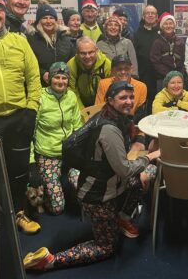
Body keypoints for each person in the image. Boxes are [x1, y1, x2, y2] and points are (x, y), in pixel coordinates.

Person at [23, 81, 161, 271]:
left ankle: (121, 218)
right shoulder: (109, 129)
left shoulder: (108, 115)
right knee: (106, 248)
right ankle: (50, 260)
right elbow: (125, 170)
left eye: (131, 97)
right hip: (97, 194)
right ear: (110, 100)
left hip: (105, 180)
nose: (129, 101)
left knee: (149, 172)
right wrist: (149, 156)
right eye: (123, 97)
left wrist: (139, 149)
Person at [0, 0, 42, 234]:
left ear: (4, 14)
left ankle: (18, 213)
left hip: (18, 119)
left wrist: (31, 109)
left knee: (18, 172)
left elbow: (34, 77)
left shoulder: (19, 41)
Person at [28, 62, 82, 215]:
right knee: (57, 208)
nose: (60, 81)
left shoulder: (71, 96)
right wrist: (31, 163)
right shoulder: (40, 97)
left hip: (69, 152)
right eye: (56, 77)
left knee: (82, 184)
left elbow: (77, 126)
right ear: (49, 79)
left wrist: (80, 150)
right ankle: (49, 190)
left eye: (64, 78)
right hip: (48, 154)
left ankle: (69, 192)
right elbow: (29, 133)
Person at [27, 4, 75, 86]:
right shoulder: (31, 39)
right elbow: (28, 63)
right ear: (39, 21)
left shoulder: (65, 38)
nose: (48, 21)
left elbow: (72, 61)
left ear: (56, 20)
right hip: (41, 85)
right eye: (44, 18)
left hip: (63, 85)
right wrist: (42, 73)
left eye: (51, 18)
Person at [95, 55, 147, 123]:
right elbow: (98, 110)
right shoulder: (103, 84)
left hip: (131, 121)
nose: (123, 72)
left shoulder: (141, 86)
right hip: (108, 121)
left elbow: (140, 113)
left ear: (131, 69)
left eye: (126, 68)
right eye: (119, 69)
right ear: (112, 71)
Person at [67, 36, 111, 109]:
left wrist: (98, 110)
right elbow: (73, 92)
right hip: (80, 103)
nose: (87, 56)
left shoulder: (107, 64)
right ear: (77, 53)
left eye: (91, 52)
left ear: (97, 51)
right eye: (83, 53)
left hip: (101, 103)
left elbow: (108, 91)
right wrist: (83, 111)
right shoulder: (71, 65)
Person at [133, 4, 159, 114]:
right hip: (142, 75)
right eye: (148, 13)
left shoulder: (161, 33)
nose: (150, 15)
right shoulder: (136, 34)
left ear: (156, 17)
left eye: (153, 13)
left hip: (158, 76)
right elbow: (134, 56)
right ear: (143, 16)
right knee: (142, 105)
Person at [150, 12, 185, 90]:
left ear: (174, 25)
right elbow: (155, 61)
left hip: (178, 78)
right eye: (165, 24)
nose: (168, 26)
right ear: (162, 26)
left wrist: (179, 74)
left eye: (170, 23)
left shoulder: (180, 41)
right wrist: (169, 75)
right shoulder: (157, 43)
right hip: (163, 78)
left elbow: (183, 60)